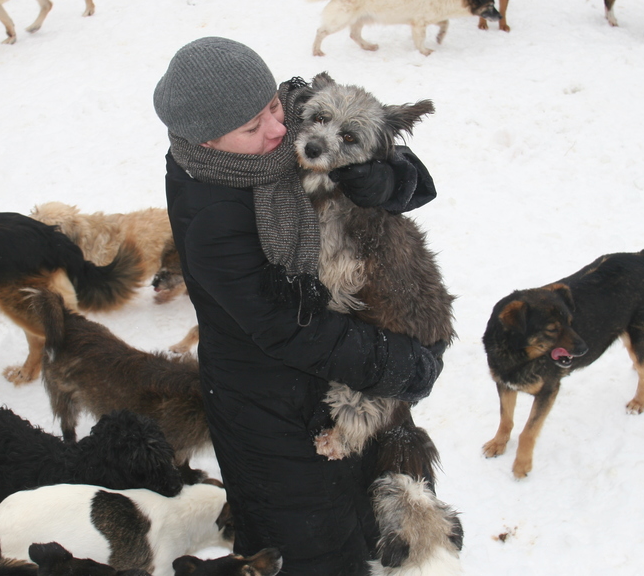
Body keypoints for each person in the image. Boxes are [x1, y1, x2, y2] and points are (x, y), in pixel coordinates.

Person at [153, 37, 444, 576]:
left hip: (331, 383)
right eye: (251, 127)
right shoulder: (215, 217)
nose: (279, 130)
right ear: (209, 143)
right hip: (270, 415)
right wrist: (399, 365)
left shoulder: (298, 112)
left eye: (271, 106)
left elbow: (398, 161)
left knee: (361, 523)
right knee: (310, 555)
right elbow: (287, 328)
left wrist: (387, 179)